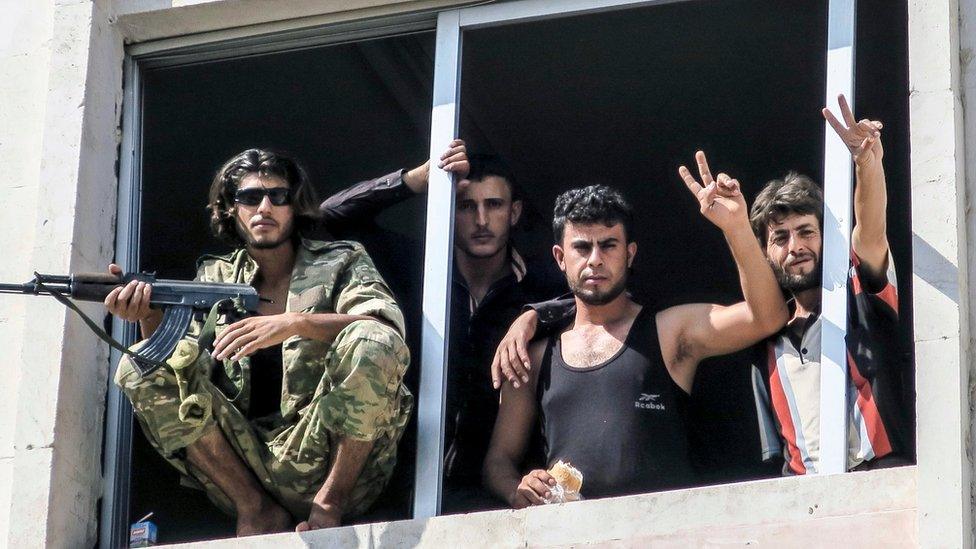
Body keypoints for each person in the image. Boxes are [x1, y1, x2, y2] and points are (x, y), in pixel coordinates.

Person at [111, 149, 412, 535]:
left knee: (370, 338)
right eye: (250, 198)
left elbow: (383, 328)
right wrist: (147, 316)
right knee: (141, 365)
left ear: (295, 205)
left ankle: (328, 504)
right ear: (231, 209)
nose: (265, 207)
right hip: (246, 462)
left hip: (329, 456)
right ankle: (254, 508)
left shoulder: (341, 260)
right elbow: (178, 374)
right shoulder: (214, 276)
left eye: (278, 196)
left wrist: (294, 323)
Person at [482, 162, 788, 506]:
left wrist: (736, 228)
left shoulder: (669, 332)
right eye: (582, 247)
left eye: (608, 245)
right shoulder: (532, 355)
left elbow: (767, 317)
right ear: (560, 258)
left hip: (662, 531)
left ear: (630, 254)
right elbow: (498, 460)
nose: (595, 260)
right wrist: (517, 487)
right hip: (570, 536)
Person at [319, 141, 566, 512]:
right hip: (397, 491)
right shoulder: (419, 271)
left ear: (514, 212)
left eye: (494, 205)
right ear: (447, 210)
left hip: (494, 493)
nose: (481, 221)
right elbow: (331, 216)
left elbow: (604, 294)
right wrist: (417, 179)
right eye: (466, 206)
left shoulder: (540, 283)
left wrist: (533, 315)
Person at [747, 95, 911, 474]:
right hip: (812, 510)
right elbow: (782, 461)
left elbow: (870, 231)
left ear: (827, 237)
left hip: (883, 484)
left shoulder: (860, 295)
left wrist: (867, 165)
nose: (796, 247)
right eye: (781, 238)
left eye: (807, 231)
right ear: (766, 253)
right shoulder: (764, 342)